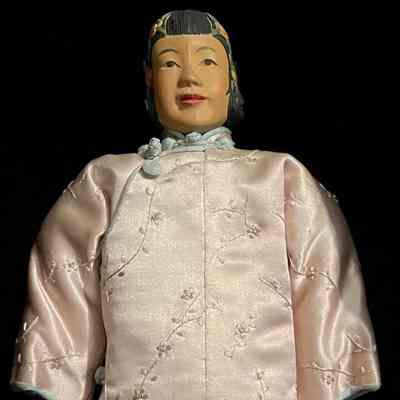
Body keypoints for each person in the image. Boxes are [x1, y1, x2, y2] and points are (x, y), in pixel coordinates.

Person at [10, 9, 381, 400]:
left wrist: (328, 378)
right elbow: (64, 284)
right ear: (149, 78)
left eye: (207, 61)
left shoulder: (280, 175)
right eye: (170, 63)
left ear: (230, 77)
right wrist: (56, 376)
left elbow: (322, 283)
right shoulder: (107, 179)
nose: (189, 77)